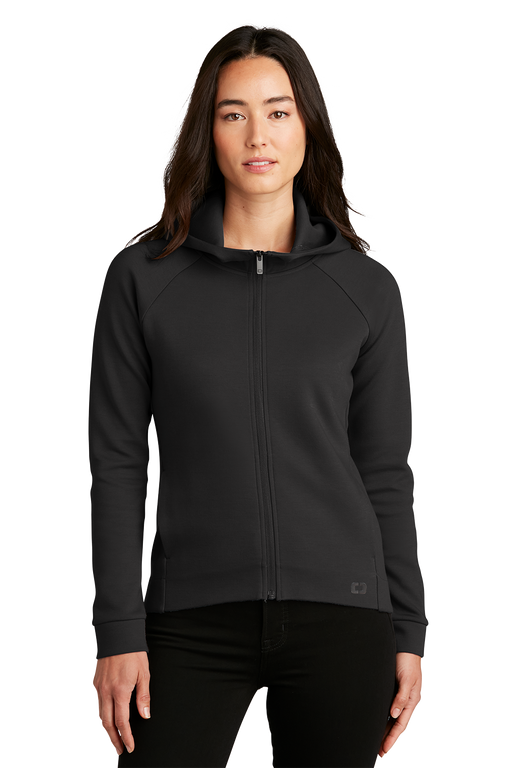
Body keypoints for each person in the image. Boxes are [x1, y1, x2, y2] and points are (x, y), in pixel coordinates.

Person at [89, 23, 429, 767]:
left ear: (308, 125)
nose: (257, 136)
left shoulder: (366, 287)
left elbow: (384, 468)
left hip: (342, 613)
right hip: (189, 616)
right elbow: (117, 460)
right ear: (205, 131)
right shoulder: (144, 277)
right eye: (232, 113)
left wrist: (409, 629)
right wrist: (117, 630)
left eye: (278, 111)